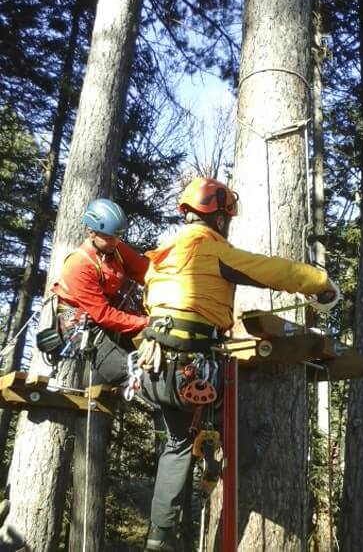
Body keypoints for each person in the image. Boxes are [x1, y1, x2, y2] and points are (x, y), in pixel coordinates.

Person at [140, 177, 340, 552]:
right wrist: (319, 283)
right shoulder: (212, 249)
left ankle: (158, 538)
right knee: (231, 422)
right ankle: (246, 452)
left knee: (176, 445)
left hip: (155, 368)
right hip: (192, 368)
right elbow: (269, 269)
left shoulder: (162, 256)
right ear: (219, 219)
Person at [49, 198, 149, 384]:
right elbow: (102, 314)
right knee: (125, 371)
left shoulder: (117, 249)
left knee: (147, 355)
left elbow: (145, 271)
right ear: (91, 231)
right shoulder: (79, 264)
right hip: (76, 322)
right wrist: (145, 322)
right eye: (110, 236)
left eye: (118, 236)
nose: (115, 241)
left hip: (105, 317)